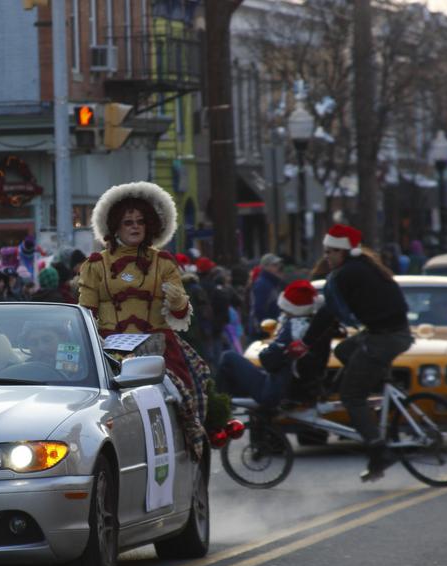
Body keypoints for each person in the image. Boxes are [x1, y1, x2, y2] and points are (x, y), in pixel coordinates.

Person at [78, 181, 211, 457]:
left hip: (158, 347)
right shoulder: (94, 265)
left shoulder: (164, 262)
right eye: (128, 222)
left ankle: (190, 445)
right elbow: (85, 314)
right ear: (115, 226)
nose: (135, 226)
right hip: (109, 350)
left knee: (187, 392)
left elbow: (181, 313)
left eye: (140, 221)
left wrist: (178, 303)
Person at [295, 224, 412, 482]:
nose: (327, 256)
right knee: (345, 348)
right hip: (389, 332)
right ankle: (379, 382)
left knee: (351, 396)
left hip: (385, 337)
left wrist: (305, 343)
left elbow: (328, 311)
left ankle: (378, 449)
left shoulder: (345, 275)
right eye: (326, 251)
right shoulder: (365, 266)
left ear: (344, 252)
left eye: (332, 252)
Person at [216, 280, 323, 408]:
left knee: (228, 357)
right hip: (301, 390)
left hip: (274, 392)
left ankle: (219, 407)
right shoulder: (317, 326)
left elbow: (268, 360)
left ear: (290, 307)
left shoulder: (293, 329)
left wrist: (269, 349)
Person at [249, 253, 285, 338]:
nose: (278, 267)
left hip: (271, 328)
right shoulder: (262, 284)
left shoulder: (272, 283)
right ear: (265, 267)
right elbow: (259, 309)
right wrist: (266, 329)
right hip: (263, 331)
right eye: (274, 265)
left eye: (278, 265)